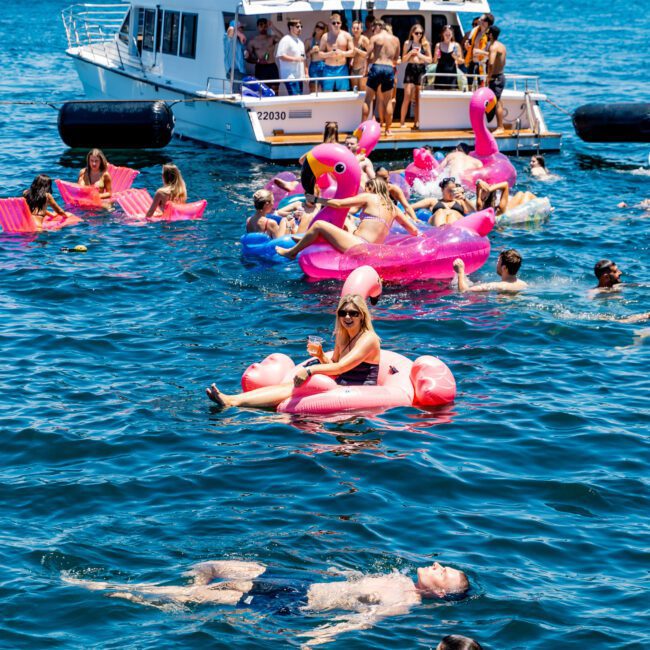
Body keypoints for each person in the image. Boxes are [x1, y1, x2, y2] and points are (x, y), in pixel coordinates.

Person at [64, 558, 470, 645]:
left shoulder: (405, 601)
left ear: (439, 593)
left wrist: (318, 639)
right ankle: (192, 575)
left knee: (198, 598)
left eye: (442, 572)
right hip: (302, 582)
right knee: (223, 565)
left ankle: (109, 591)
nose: (435, 564)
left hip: (296, 604)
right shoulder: (397, 574)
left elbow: (361, 623)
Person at [207, 293, 382, 407]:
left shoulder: (368, 339)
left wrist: (309, 370)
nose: (348, 317)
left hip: (358, 390)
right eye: (343, 313)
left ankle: (233, 401)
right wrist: (321, 355)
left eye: (353, 313)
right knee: (290, 386)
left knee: (298, 387)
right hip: (340, 385)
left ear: (362, 315)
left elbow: (341, 368)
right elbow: (335, 365)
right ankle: (233, 399)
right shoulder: (343, 336)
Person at [275, 178, 420, 260]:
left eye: (366, 188)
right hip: (373, 250)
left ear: (371, 188)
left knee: (320, 224)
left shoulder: (369, 197)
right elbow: (413, 230)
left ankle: (291, 252)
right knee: (348, 224)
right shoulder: (393, 208)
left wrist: (317, 199)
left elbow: (338, 204)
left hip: (361, 246)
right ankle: (305, 241)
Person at [363, 20, 400, 136]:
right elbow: (395, 59)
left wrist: (365, 71)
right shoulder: (395, 39)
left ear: (380, 27)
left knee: (368, 99)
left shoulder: (374, 38)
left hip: (376, 66)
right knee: (388, 100)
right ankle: (388, 129)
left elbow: (367, 55)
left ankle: (363, 127)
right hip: (389, 68)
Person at [399, 24, 432, 129]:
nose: (419, 35)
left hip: (420, 69)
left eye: (421, 33)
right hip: (410, 68)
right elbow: (403, 60)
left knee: (418, 98)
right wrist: (410, 53)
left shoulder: (425, 44)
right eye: (417, 33)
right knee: (407, 96)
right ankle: (402, 122)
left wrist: (419, 54)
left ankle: (416, 122)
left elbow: (430, 60)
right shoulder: (407, 43)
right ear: (412, 33)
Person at [454, 249, 527, 292]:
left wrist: (460, 272)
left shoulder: (495, 286)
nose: (496, 264)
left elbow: (464, 291)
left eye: (498, 262)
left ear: (504, 268)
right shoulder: (524, 284)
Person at [246, 18, 283, 95]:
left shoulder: (271, 38)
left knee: (275, 89)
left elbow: (282, 38)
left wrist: (272, 26)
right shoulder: (253, 41)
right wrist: (258, 61)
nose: (263, 27)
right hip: (260, 68)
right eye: (261, 25)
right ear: (257, 26)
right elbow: (247, 58)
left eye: (265, 25)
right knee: (262, 89)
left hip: (272, 67)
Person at [319, 13, 354, 92]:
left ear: (341, 23)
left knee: (343, 93)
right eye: (334, 23)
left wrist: (342, 53)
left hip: (342, 68)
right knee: (327, 93)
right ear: (330, 24)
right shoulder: (325, 36)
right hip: (328, 68)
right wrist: (329, 54)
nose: (336, 24)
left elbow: (352, 52)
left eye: (338, 22)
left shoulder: (346, 35)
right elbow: (320, 53)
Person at [276, 19, 307, 96]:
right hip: (290, 76)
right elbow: (281, 56)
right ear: (291, 27)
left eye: (301, 26)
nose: (300, 29)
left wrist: (306, 73)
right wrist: (296, 59)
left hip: (299, 76)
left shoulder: (300, 42)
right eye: (297, 27)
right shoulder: (285, 40)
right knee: (295, 97)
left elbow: (303, 58)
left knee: (299, 98)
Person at [486, 25, 507, 134]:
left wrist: (489, 76)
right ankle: (499, 125)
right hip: (501, 76)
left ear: (490, 35)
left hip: (496, 78)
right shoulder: (502, 46)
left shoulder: (493, 46)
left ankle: (500, 127)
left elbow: (491, 63)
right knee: (498, 100)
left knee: (497, 102)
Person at [464, 13, 493, 88]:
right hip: (472, 63)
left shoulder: (490, 35)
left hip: (483, 65)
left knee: (482, 87)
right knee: (469, 86)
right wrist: (467, 45)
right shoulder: (475, 30)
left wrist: (480, 52)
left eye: (481, 19)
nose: (479, 20)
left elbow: (493, 54)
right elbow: (469, 43)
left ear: (486, 23)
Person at [433, 25, 464, 90]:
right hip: (440, 74)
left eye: (449, 34)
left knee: (452, 93)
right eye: (446, 34)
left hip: (452, 75)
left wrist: (456, 58)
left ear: (452, 35)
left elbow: (461, 61)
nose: (447, 36)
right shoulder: (438, 45)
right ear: (442, 34)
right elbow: (434, 62)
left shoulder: (456, 45)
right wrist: (436, 56)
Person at [305, 21, 327, 93]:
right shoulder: (309, 41)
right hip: (314, 65)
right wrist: (311, 51)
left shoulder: (325, 41)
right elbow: (304, 56)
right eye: (317, 26)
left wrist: (322, 52)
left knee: (326, 89)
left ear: (324, 30)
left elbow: (331, 53)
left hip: (324, 65)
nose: (318, 28)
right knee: (313, 90)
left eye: (321, 28)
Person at [224, 20, 247, 85]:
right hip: (233, 71)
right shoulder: (227, 37)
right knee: (237, 93)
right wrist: (240, 34)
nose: (242, 29)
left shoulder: (240, 41)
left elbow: (244, 53)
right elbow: (230, 30)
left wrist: (246, 53)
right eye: (240, 28)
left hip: (241, 71)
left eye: (242, 28)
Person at [350, 20, 370, 90]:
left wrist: (358, 51)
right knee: (354, 91)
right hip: (353, 69)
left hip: (362, 69)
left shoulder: (364, 39)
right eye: (354, 28)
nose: (355, 30)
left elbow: (371, 54)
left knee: (363, 91)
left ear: (361, 29)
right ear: (351, 29)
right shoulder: (351, 40)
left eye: (357, 28)